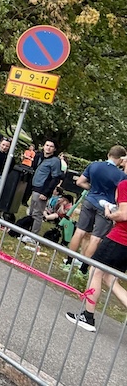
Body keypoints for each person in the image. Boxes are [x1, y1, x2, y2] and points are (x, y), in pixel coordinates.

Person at [66, 175, 127, 333]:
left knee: (95, 271)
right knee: (110, 278)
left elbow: (124, 214)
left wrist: (109, 214)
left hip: (119, 238)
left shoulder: (125, 185)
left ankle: (88, 316)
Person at [62, 145, 127, 274]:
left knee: (79, 231)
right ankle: (83, 269)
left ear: (109, 154)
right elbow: (118, 195)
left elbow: (80, 182)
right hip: (106, 206)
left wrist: (92, 189)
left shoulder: (94, 165)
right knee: (96, 238)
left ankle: (68, 261)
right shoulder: (121, 175)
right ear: (120, 159)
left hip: (90, 200)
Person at [24, 140, 63, 238]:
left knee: (37, 213)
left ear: (54, 149)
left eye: (51, 146)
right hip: (35, 186)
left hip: (42, 189)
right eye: (47, 145)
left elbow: (55, 178)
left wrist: (46, 192)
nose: (48, 148)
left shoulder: (55, 161)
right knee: (32, 211)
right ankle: (28, 230)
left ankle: (33, 236)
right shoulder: (40, 156)